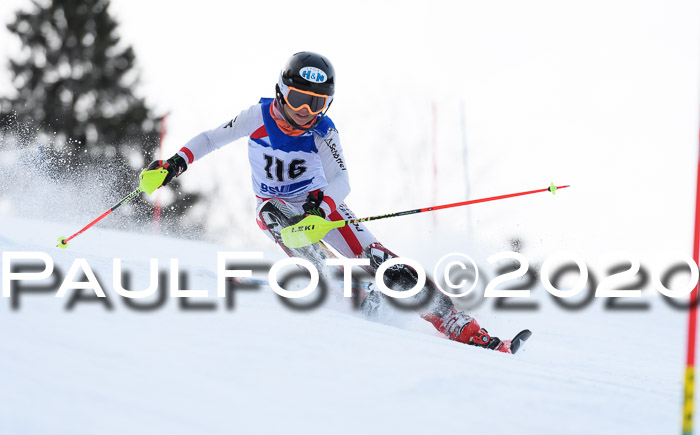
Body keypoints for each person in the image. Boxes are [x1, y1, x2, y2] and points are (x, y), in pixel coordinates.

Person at [145, 51, 515, 353]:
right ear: (281, 92)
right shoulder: (257, 117)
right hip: (274, 205)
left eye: (316, 104)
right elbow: (211, 139)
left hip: (320, 204)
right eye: (298, 100)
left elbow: (342, 180)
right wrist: (175, 163)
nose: (304, 112)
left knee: (380, 259)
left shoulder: (323, 131)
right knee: (279, 220)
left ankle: (453, 320)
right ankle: (345, 287)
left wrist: (321, 210)